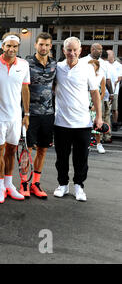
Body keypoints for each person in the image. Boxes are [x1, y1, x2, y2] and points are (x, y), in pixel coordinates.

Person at [53, 37, 103, 202]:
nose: (72, 53)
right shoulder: (58, 67)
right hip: (61, 122)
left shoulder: (87, 68)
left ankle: (79, 186)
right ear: (64, 50)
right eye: (69, 49)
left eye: (75, 50)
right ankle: (62, 184)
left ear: (80, 51)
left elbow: (95, 93)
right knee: (62, 157)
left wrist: (99, 117)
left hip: (83, 122)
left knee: (81, 158)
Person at [0, 32, 30, 204]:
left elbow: (25, 90)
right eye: (8, 45)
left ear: (18, 48)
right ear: (2, 46)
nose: (11, 49)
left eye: (15, 46)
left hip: (16, 117)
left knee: (11, 151)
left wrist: (26, 114)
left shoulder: (24, 65)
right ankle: (0, 186)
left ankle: (10, 184)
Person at [23, 32, 57, 198]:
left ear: (51, 47)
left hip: (48, 114)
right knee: (27, 150)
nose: (44, 48)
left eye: (47, 45)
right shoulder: (26, 64)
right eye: (41, 44)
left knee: (43, 150)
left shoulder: (54, 65)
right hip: (30, 114)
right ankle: (24, 183)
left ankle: (35, 183)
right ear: (35, 45)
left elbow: (56, 86)